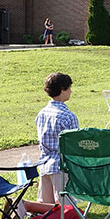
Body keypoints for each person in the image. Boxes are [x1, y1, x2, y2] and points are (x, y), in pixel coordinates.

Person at [35, 73, 78, 204]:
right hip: (61, 165)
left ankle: (22, 206)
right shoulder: (68, 116)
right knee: (65, 209)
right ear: (62, 89)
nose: (70, 91)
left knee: (45, 207)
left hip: (44, 163)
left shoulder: (41, 113)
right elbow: (73, 145)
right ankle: (23, 205)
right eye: (69, 88)